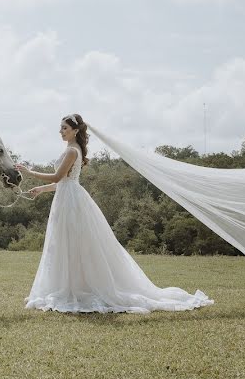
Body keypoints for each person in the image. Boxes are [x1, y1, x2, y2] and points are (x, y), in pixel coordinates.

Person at [14, 113, 213, 314]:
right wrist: (41, 189)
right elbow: (64, 182)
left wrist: (29, 172)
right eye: (61, 128)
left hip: (71, 203)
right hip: (67, 198)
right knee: (65, 244)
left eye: (64, 128)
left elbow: (58, 177)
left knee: (74, 244)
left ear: (75, 131)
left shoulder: (73, 151)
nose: (61, 131)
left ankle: (78, 289)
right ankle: (66, 287)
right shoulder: (70, 150)